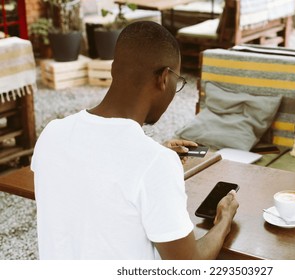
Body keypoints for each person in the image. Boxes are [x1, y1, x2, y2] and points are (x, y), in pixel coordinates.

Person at [31, 21, 239, 260]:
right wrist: (224, 220)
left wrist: (151, 155)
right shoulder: (155, 164)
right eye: (178, 82)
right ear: (163, 78)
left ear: (112, 69)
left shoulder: (52, 134)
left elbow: (88, 184)